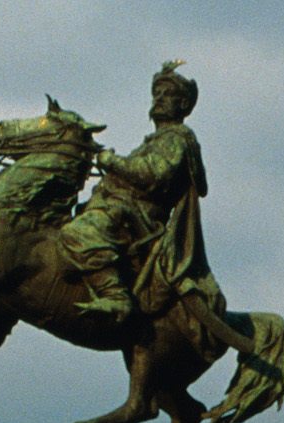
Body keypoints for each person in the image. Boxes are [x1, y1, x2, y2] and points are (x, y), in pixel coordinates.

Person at [59, 60, 208, 324]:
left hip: (138, 219)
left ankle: (115, 296)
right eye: (157, 94)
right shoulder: (156, 140)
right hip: (117, 208)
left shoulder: (178, 138)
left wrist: (112, 162)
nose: (159, 99)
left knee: (78, 232)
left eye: (168, 95)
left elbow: (153, 174)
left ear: (183, 104)